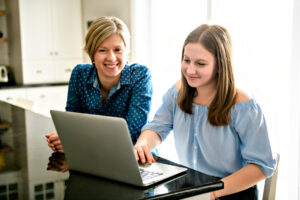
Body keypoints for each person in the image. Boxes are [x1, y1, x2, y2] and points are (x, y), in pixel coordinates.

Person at [134, 24, 276, 200]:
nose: (190, 70)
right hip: (189, 188)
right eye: (186, 60)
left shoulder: (244, 105)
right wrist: (143, 144)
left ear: (220, 65)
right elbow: (157, 128)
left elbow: (262, 166)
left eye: (200, 63)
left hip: (230, 191)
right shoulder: (177, 92)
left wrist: (212, 193)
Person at [46, 16, 152, 152]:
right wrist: (65, 139)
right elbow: (71, 122)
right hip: (92, 154)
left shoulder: (140, 75)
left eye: (118, 50)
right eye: (102, 50)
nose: (111, 58)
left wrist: (74, 140)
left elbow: (131, 131)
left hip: (133, 156)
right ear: (92, 53)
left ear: (126, 51)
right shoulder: (79, 74)